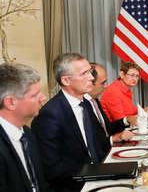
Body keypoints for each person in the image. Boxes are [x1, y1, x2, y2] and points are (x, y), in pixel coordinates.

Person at [31, 53, 129, 191]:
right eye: (85, 74)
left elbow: (95, 145)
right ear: (66, 80)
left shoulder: (86, 104)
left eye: (90, 71)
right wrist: (97, 174)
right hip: (75, 185)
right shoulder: (50, 115)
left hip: (98, 174)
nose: (91, 77)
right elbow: (52, 169)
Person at [0, 63, 52, 192]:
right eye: (35, 95)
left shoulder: (27, 133)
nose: (43, 98)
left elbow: (40, 184)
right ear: (10, 102)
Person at [86, 63, 135, 138]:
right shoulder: (82, 104)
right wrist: (113, 139)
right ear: (89, 83)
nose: (106, 86)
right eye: (103, 83)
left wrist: (127, 120)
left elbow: (107, 127)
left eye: (137, 76)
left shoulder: (94, 100)